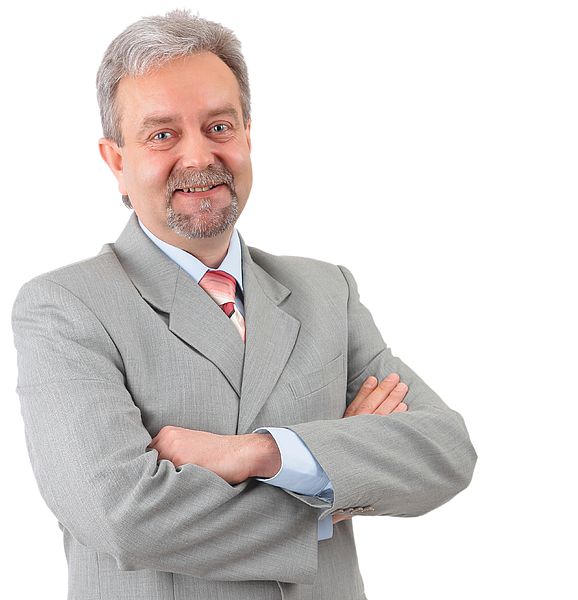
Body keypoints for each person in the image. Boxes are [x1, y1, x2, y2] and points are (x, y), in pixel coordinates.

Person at [11, 9, 477, 600]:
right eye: (162, 134)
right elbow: (124, 516)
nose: (199, 157)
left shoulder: (325, 291)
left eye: (219, 127)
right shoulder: (65, 308)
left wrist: (259, 453)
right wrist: (328, 483)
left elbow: (444, 451)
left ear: (247, 137)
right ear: (117, 162)